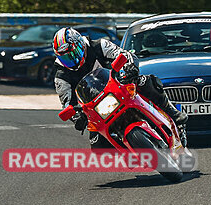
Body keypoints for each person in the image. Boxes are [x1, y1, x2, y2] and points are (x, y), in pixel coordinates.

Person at [52, 27, 187, 147]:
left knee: (147, 82)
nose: (72, 60)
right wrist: (77, 117)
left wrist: (130, 67)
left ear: (80, 44)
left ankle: (175, 115)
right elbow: (66, 103)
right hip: (95, 107)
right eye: (66, 58)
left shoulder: (100, 45)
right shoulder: (61, 76)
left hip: (119, 84)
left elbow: (125, 55)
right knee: (97, 147)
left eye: (73, 54)